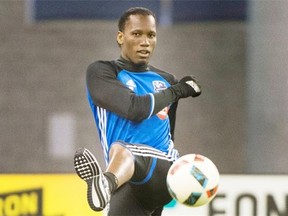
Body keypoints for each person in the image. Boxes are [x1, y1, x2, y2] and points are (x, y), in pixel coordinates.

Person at [74, 7, 201, 216]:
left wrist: (174, 90)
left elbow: (169, 132)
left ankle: (105, 182)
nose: (145, 41)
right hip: (128, 181)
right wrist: (179, 90)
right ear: (120, 37)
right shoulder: (102, 72)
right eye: (137, 34)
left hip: (164, 171)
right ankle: (106, 185)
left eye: (151, 35)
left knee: (124, 150)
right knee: (124, 152)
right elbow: (134, 109)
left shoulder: (166, 81)